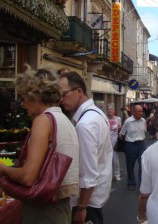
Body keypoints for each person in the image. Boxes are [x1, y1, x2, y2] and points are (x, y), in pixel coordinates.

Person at [0, 67, 79, 224]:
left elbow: (28, 177)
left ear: (36, 95)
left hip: (43, 211)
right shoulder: (65, 121)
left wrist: (3, 168)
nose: (22, 103)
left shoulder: (43, 120)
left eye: (24, 97)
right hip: (60, 207)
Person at [59, 71, 112, 224]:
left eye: (64, 94)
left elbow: (89, 173)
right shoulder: (96, 114)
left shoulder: (85, 124)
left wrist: (82, 208)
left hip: (87, 202)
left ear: (79, 92)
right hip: (95, 197)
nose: (61, 100)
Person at [119, 105, 147, 190]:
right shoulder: (128, 122)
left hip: (141, 144)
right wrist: (125, 146)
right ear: (133, 112)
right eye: (139, 111)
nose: (141, 113)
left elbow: (144, 131)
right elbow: (122, 134)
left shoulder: (143, 121)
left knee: (143, 164)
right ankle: (131, 182)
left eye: (141, 111)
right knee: (130, 165)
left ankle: (142, 183)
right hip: (130, 144)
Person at [107, 104, 122, 181]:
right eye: (108, 109)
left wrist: (120, 128)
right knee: (107, 160)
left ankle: (117, 174)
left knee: (115, 159)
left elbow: (120, 128)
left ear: (114, 111)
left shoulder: (118, 119)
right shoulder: (104, 119)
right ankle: (109, 175)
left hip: (115, 141)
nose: (110, 110)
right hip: (106, 142)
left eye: (111, 109)